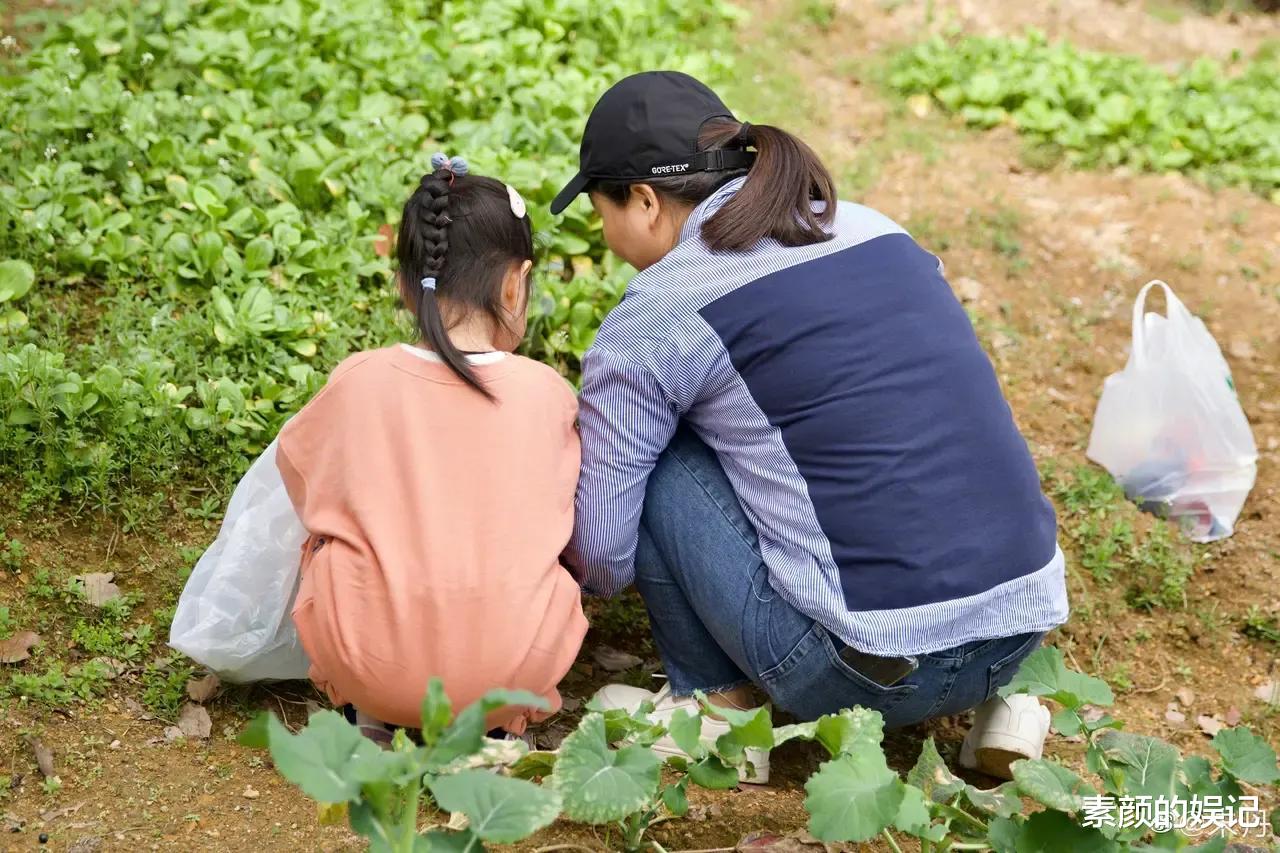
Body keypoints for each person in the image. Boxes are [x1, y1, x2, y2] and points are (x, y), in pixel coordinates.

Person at [554, 72, 1069, 782]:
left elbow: (604, 557)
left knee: (660, 449)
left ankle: (718, 713)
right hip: (1018, 628)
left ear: (644, 201)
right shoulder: (873, 226)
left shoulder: (660, 313)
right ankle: (1009, 705)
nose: (605, 235)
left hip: (863, 676)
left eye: (599, 210)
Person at [275, 154, 586, 740]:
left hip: (372, 672)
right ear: (515, 286)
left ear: (402, 285)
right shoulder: (548, 394)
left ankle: (369, 707)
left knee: (323, 538)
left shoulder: (360, 379)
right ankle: (500, 727)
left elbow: (299, 479)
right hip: (509, 678)